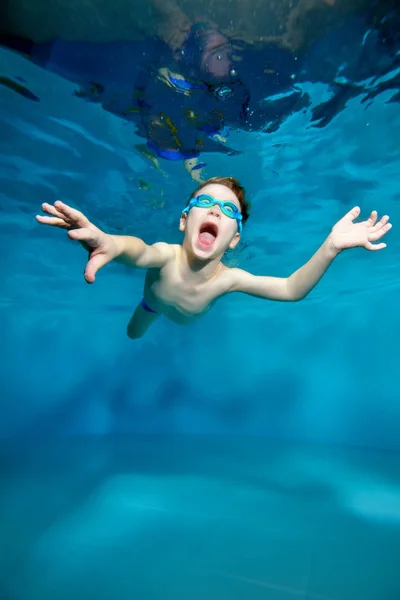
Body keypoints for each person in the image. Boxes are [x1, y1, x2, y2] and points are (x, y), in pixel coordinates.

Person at [36, 176, 392, 339]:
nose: (216, 211)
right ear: (183, 220)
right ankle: (143, 319)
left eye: (228, 210)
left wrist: (330, 246)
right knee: (132, 334)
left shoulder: (228, 278)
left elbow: (290, 288)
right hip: (152, 305)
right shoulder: (167, 255)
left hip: (189, 319)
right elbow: (139, 250)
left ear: (234, 239)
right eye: (205, 203)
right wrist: (111, 243)